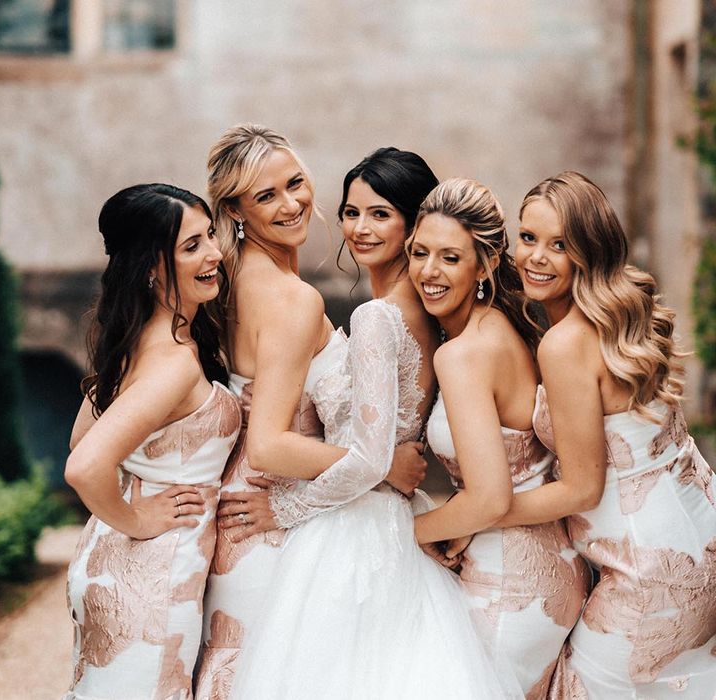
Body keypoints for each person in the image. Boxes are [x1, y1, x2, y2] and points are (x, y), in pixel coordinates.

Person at [218, 151, 523, 699]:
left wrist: (284, 510)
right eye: (351, 212)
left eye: (380, 214)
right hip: (375, 513)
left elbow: (368, 455)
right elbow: (382, 450)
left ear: (412, 224)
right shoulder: (431, 315)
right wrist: (385, 463)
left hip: (351, 527)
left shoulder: (377, 317)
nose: (359, 228)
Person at [195, 128, 428, 698]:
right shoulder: (291, 297)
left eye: (295, 182)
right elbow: (270, 443)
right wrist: (382, 466)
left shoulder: (228, 279)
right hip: (268, 516)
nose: (292, 203)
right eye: (266, 195)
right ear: (236, 210)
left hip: (241, 502)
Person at [501, 171, 716, 697]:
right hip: (699, 540)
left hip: (647, 571)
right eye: (528, 238)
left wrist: (482, 512)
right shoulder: (622, 315)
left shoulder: (567, 342)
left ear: (589, 252)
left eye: (559, 245)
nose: (536, 257)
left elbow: (580, 489)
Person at [407, 178, 590, 697]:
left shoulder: (463, 354)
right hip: (543, 568)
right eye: (420, 253)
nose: (429, 271)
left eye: (450, 257)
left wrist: (404, 535)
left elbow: (488, 498)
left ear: (484, 264)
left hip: (512, 581)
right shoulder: (504, 328)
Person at [63, 184, 241, 700]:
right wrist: (140, 518)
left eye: (209, 235)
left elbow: (80, 435)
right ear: (149, 268)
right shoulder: (172, 361)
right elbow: (84, 464)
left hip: (112, 562)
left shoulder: (136, 338)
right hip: (153, 573)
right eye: (191, 246)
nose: (213, 254)